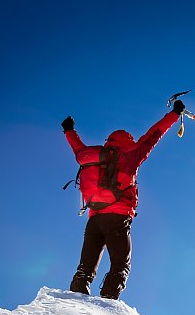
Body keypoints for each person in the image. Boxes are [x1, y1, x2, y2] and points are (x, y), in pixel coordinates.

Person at [61, 100, 184, 299]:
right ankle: (108, 302)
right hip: (117, 218)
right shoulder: (131, 154)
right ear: (128, 140)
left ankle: (77, 299)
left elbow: (77, 149)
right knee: (120, 264)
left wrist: (69, 130)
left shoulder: (92, 156)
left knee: (86, 266)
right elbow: (154, 134)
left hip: (94, 219)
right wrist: (174, 114)